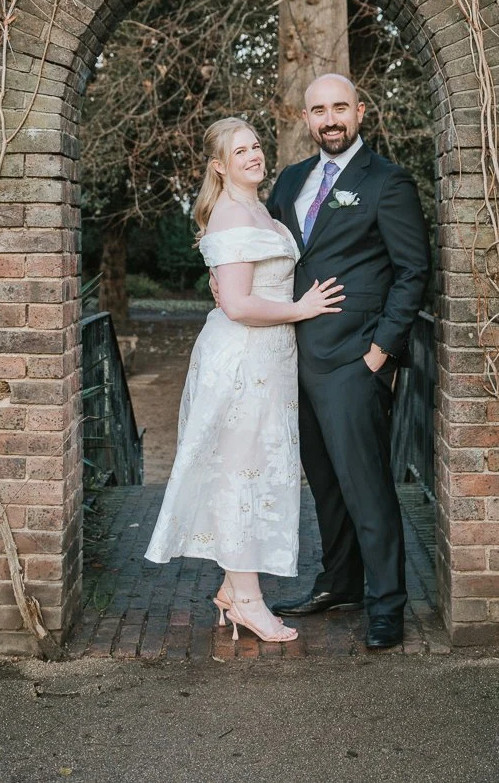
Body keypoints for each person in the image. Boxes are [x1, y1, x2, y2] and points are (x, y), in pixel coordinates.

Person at [144, 117, 346, 643]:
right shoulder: (232, 215)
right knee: (239, 474)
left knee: (254, 473)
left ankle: (236, 592)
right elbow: (235, 304)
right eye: (241, 151)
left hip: (270, 360)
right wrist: (301, 309)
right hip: (243, 361)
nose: (254, 155)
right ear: (219, 165)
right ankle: (249, 602)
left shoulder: (260, 209)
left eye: (256, 146)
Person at [265, 74, 430, 651]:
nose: (330, 119)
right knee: (327, 486)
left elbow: (413, 272)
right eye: (318, 110)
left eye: (340, 108)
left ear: (360, 111)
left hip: (354, 362)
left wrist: (380, 352)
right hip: (294, 360)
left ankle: (387, 604)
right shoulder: (289, 182)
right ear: (305, 119)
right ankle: (340, 583)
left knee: (367, 489)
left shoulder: (387, 182)